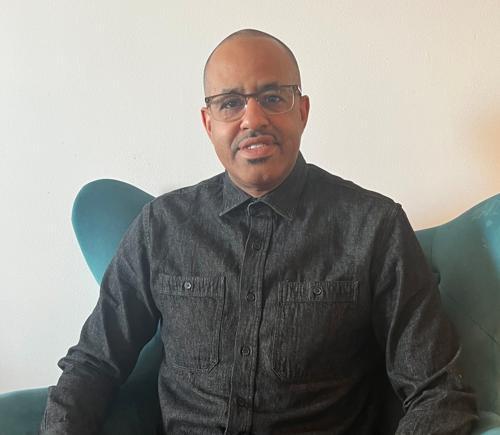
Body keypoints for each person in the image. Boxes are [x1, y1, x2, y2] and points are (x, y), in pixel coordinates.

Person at [40, 29, 478, 434]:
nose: (253, 119)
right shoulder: (161, 227)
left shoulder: (374, 227)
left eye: (272, 97)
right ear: (208, 122)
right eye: (230, 103)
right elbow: (93, 364)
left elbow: (439, 392)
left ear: (302, 111)